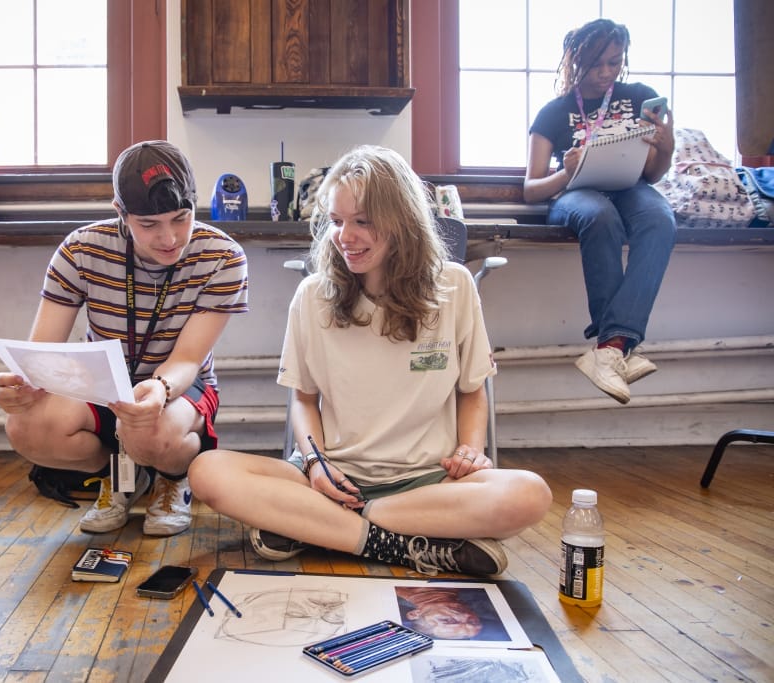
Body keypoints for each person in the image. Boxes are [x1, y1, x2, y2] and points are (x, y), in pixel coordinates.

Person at [188, 145, 551, 576]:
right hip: (331, 479)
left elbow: (471, 391)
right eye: (338, 222)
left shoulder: (454, 286)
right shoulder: (313, 296)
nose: (345, 236)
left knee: (531, 494)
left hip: (429, 483)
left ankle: (320, 527)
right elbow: (304, 402)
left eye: (363, 222)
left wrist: (470, 451)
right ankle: (396, 543)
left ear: (404, 222)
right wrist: (315, 464)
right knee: (207, 471)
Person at [0, 140, 249, 536]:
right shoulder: (81, 249)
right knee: (23, 425)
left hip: (180, 388)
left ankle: (171, 477)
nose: (170, 238)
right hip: (102, 384)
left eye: (182, 217)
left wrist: (159, 389)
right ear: (121, 214)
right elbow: (43, 351)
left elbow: (187, 359)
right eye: (149, 224)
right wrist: (22, 386)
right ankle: (122, 473)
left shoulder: (222, 257)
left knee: (150, 430)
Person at [524, 18, 676, 404]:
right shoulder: (554, 112)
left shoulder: (640, 96)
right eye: (596, 64)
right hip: (575, 194)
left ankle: (610, 347)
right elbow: (531, 190)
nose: (606, 73)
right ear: (575, 61)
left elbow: (654, 174)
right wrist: (566, 173)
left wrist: (667, 145)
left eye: (614, 62)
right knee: (599, 217)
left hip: (631, 186)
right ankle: (619, 346)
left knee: (660, 219)